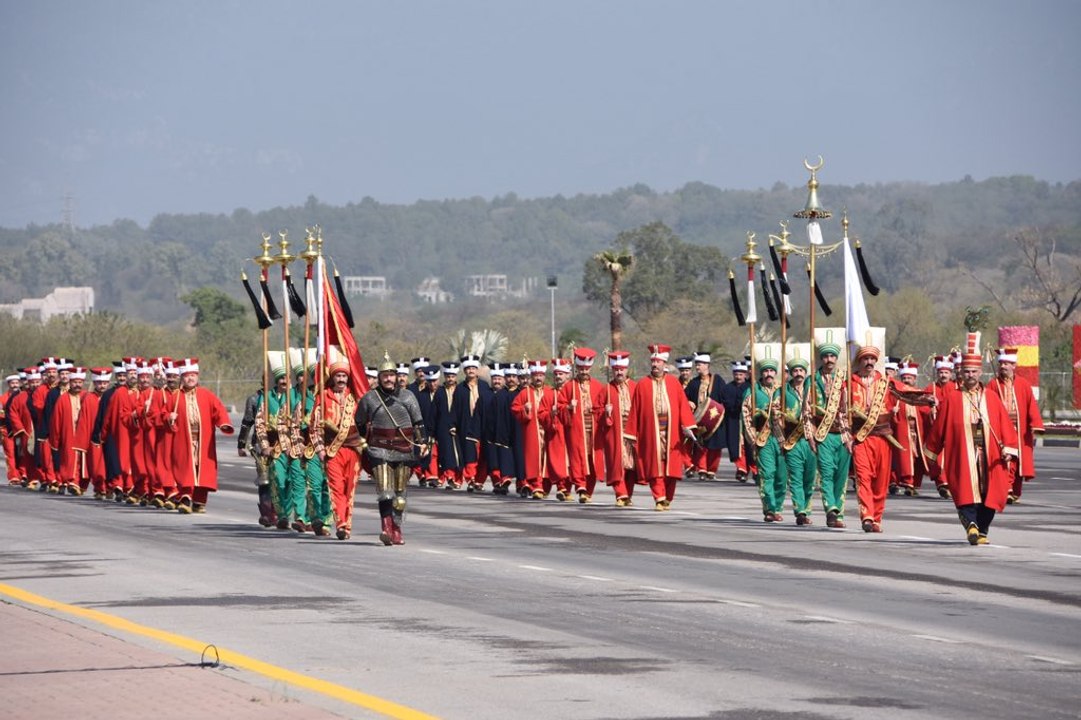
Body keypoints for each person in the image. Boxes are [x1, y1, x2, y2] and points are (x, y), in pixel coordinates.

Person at [925, 335, 1018, 545]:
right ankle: (971, 525)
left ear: (980, 372)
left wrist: (1008, 449)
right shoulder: (953, 399)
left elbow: (1005, 427)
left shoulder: (992, 398)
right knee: (966, 490)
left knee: (990, 493)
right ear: (961, 373)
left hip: (989, 454)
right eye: (966, 371)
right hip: (962, 454)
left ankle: (983, 528)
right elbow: (939, 428)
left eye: (974, 371)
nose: (970, 375)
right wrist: (932, 454)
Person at [847, 345, 935, 533]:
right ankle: (867, 516)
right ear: (859, 361)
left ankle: (876, 518)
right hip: (862, 438)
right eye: (865, 359)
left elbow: (906, 394)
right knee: (863, 478)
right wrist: (846, 435)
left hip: (883, 438)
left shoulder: (885, 382)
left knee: (881, 482)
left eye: (872, 359)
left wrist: (927, 399)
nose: (869, 362)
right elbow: (841, 411)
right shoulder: (849, 383)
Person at [356, 353, 429, 546]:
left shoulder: (408, 396)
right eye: (384, 375)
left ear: (397, 376)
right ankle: (386, 529)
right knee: (385, 493)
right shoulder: (370, 398)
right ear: (379, 377)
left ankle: (397, 528)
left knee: (400, 495)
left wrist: (423, 443)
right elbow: (360, 421)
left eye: (391, 375)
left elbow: (418, 423)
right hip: (379, 450)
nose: (388, 379)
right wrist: (365, 441)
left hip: (404, 449)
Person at [626, 344, 696, 511]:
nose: (655, 365)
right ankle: (659, 496)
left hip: (671, 431)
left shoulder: (674, 383)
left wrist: (688, 425)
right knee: (654, 465)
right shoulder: (642, 384)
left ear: (665, 364)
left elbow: (682, 406)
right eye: (653, 362)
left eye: (658, 362)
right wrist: (631, 433)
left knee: (671, 467)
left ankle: (667, 497)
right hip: (651, 431)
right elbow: (635, 409)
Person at [166, 357, 234, 513]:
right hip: (183, 439)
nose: (190, 378)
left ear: (197, 376)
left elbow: (219, 410)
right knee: (185, 468)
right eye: (187, 375)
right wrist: (168, 418)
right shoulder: (175, 397)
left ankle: (199, 500)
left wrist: (223, 423)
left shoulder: (207, 395)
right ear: (182, 378)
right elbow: (164, 414)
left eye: (193, 375)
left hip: (203, 440)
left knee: (202, 470)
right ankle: (185, 497)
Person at [312, 351, 365, 540]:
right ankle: (341, 523)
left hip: (353, 450)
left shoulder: (356, 398)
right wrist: (319, 449)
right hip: (332, 451)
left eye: (344, 376)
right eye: (338, 376)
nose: (341, 379)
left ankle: (347, 525)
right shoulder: (324, 397)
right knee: (336, 487)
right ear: (332, 378)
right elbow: (315, 426)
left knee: (349, 489)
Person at [986, 347, 1044, 504]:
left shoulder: (1023, 385)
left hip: (1020, 429)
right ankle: (1007, 488)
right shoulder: (992, 385)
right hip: (1001, 429)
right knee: (1006, 457)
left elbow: (1031, 405)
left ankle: (1014, 491)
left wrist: (1036, 423)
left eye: (1006, 363)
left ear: (1014, 365)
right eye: (1001, 363)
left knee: (1018, 461)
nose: (1003, 366)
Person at [804, 343, 851, 528]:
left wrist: (850, 436)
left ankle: (838, 513)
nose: (829, 360)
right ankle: (830, 508)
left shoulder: (844, 379)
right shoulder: (812, 380)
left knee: (841, 476)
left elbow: (848, 410)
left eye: (832, 356)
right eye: (826, 357)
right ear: (821, 359)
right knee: (826, 473)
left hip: (842, 434)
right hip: (822, 434)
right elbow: (806, 411)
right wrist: (810, 435)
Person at [556, 348, 606, 503]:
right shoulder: (569, 387)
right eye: (581, 368)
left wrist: (604, 410)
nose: (584, 371)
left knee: (592, 460)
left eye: (586, 368)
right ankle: (580, 485)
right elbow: (559, 406)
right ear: (577, 368)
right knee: (577, 458)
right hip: (577, 429)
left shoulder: (599, 387)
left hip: (594, 429)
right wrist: (568, 408)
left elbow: (603, 406)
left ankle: (588, 491)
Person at [742, 358, 786, 522]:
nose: (768, 374)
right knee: (767, 474)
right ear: (761, 373)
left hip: (781, 439)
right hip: (763, 438)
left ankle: (778, 507)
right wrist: (752, 437)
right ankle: (769, 508)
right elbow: (746, 416)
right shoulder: (752, 392)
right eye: (765, 371)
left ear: (775, 373)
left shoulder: (782, 390)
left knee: (781, 476)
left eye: (771, 371)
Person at [596, 351, 637, 505]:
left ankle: (628, 494)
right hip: (614, 432)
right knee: (617, 464)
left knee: (632, 465)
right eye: (616, 369)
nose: (619, 372)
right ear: (612, 370)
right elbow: (596, 411)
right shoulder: (606, 389)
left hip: (632, 431)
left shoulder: (635, 387)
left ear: (627, 369)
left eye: (622, 369)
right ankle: (620, 494)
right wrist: (605, 413)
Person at [511, 360, 555, 499]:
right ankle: (536, 485)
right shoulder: (525, 393)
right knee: (533, 458)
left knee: (547, 458)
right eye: (535, 375)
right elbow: (514, 408)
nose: (538, 378)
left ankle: (545, 485)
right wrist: (525, 410)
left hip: (548, 430)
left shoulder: (550, 392)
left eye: (541, 375)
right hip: (532, 430)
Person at [780, 357, 815, 525]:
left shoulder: (813, 390)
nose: (798, 373)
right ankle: (799, 510)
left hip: (811, 441)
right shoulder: (783, 392)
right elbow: (775, 418)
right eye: (795, 371)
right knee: (795, 478)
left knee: (810, 479)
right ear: (791, 374)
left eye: (801, 370)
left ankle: (807, 509)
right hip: (793, 441)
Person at [684, 352, 726, 481]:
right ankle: (701, 468)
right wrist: (688, 402)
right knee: (701, 445)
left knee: (715, 446)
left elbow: (724, 397)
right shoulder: (693, 383)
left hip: (715, 418)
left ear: (707, 365)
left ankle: (712, 470)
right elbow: (685, 397)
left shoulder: (717, 380)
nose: (697, 367)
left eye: (700, 364)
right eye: (696, 364)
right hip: (700, 419)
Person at [892, 361, 931, 497]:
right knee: (904, 457)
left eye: (909, 378)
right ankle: (907, 482)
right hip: (903, 430)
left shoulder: (920, 394)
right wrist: (893, 411)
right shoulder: (896, 395)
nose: (907, 380)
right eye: (904, 378)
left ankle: (914, 483)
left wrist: (932, 410)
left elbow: (926, 411)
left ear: (914, 379)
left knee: (918, 458)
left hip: (918, 432)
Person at [719, 358, 751, 482]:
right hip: (733, 421)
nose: (738, 377)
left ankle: (752, 469)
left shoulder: (750, 387)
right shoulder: (727, 388)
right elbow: (724, 403)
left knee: (749, 446)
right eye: (736, 374)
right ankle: (741, 469)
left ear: (745, 375)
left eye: (741, 374)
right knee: (736, 446)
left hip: (748, 421)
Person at [2, 373, 24, 485]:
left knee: (22, 453)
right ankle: (13, 476)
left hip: (21, 428)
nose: (15, 385)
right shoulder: (3, 398)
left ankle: (23, 474)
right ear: (8, 384)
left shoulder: (23, 395)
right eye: (12, 383)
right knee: (10, 453)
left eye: (16, 383)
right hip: (7, 430)